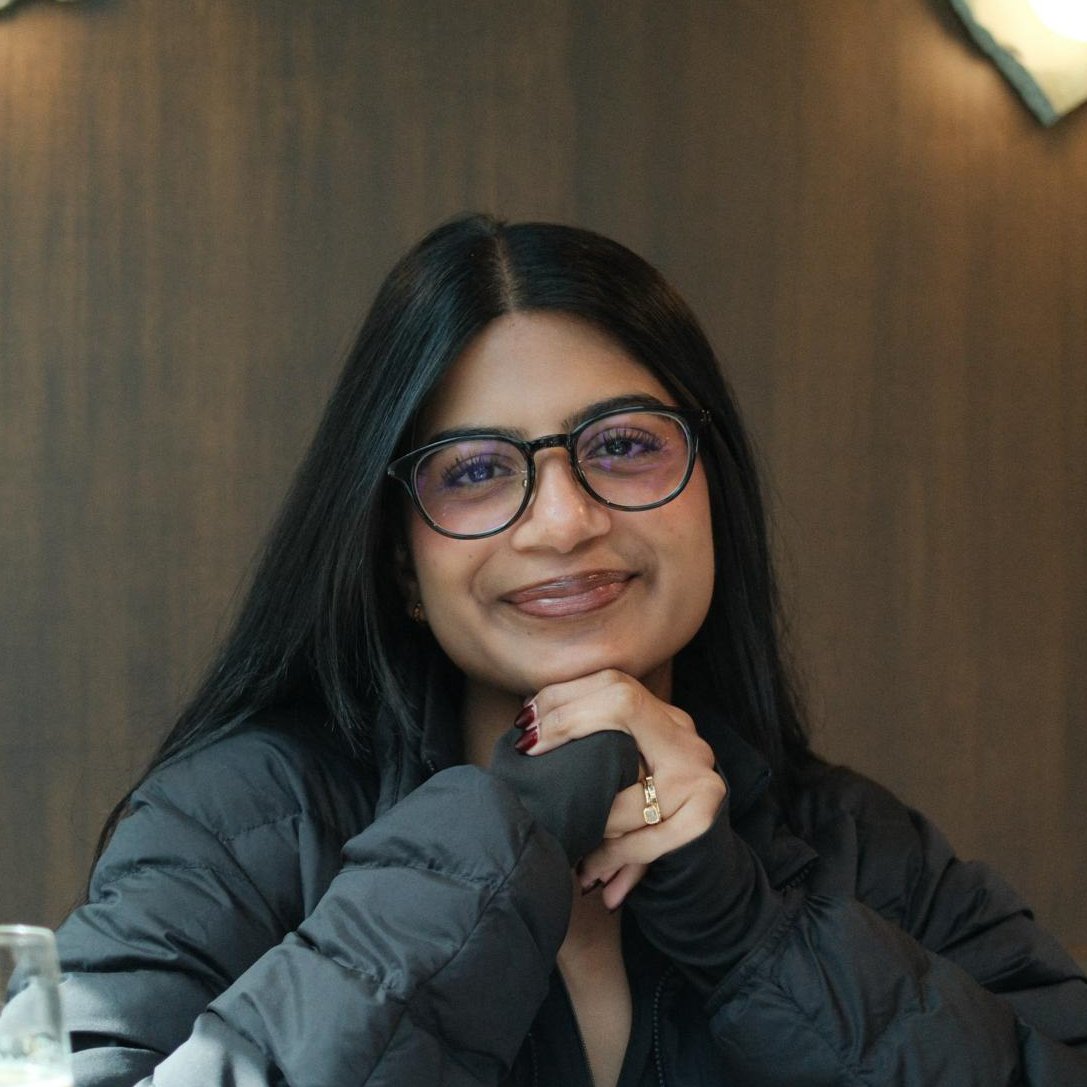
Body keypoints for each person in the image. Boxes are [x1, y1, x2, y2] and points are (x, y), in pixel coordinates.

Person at [55, 215, 1087, 1087]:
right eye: (474, 471)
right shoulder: (234, 824)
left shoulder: (862, 848)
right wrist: (499, 837)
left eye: (624, 446)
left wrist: (749, 929)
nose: (561, 520)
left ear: (710, 492)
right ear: (399, 562)